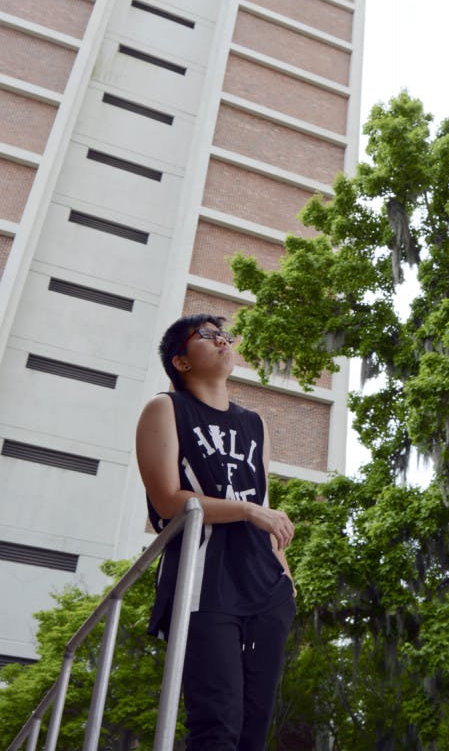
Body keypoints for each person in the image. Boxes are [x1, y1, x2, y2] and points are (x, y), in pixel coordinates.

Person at [135, 313, 296, 751]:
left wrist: (285, 578)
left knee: (252, 732)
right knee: (216, 724)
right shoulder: (166, 408)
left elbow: (260, 503)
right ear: (181, 361)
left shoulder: (254, 423)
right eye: (207, 336)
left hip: (266, 586)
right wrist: (246, 511)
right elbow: (168, 501)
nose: (223, 341)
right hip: (203, 580)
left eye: (224, 335)